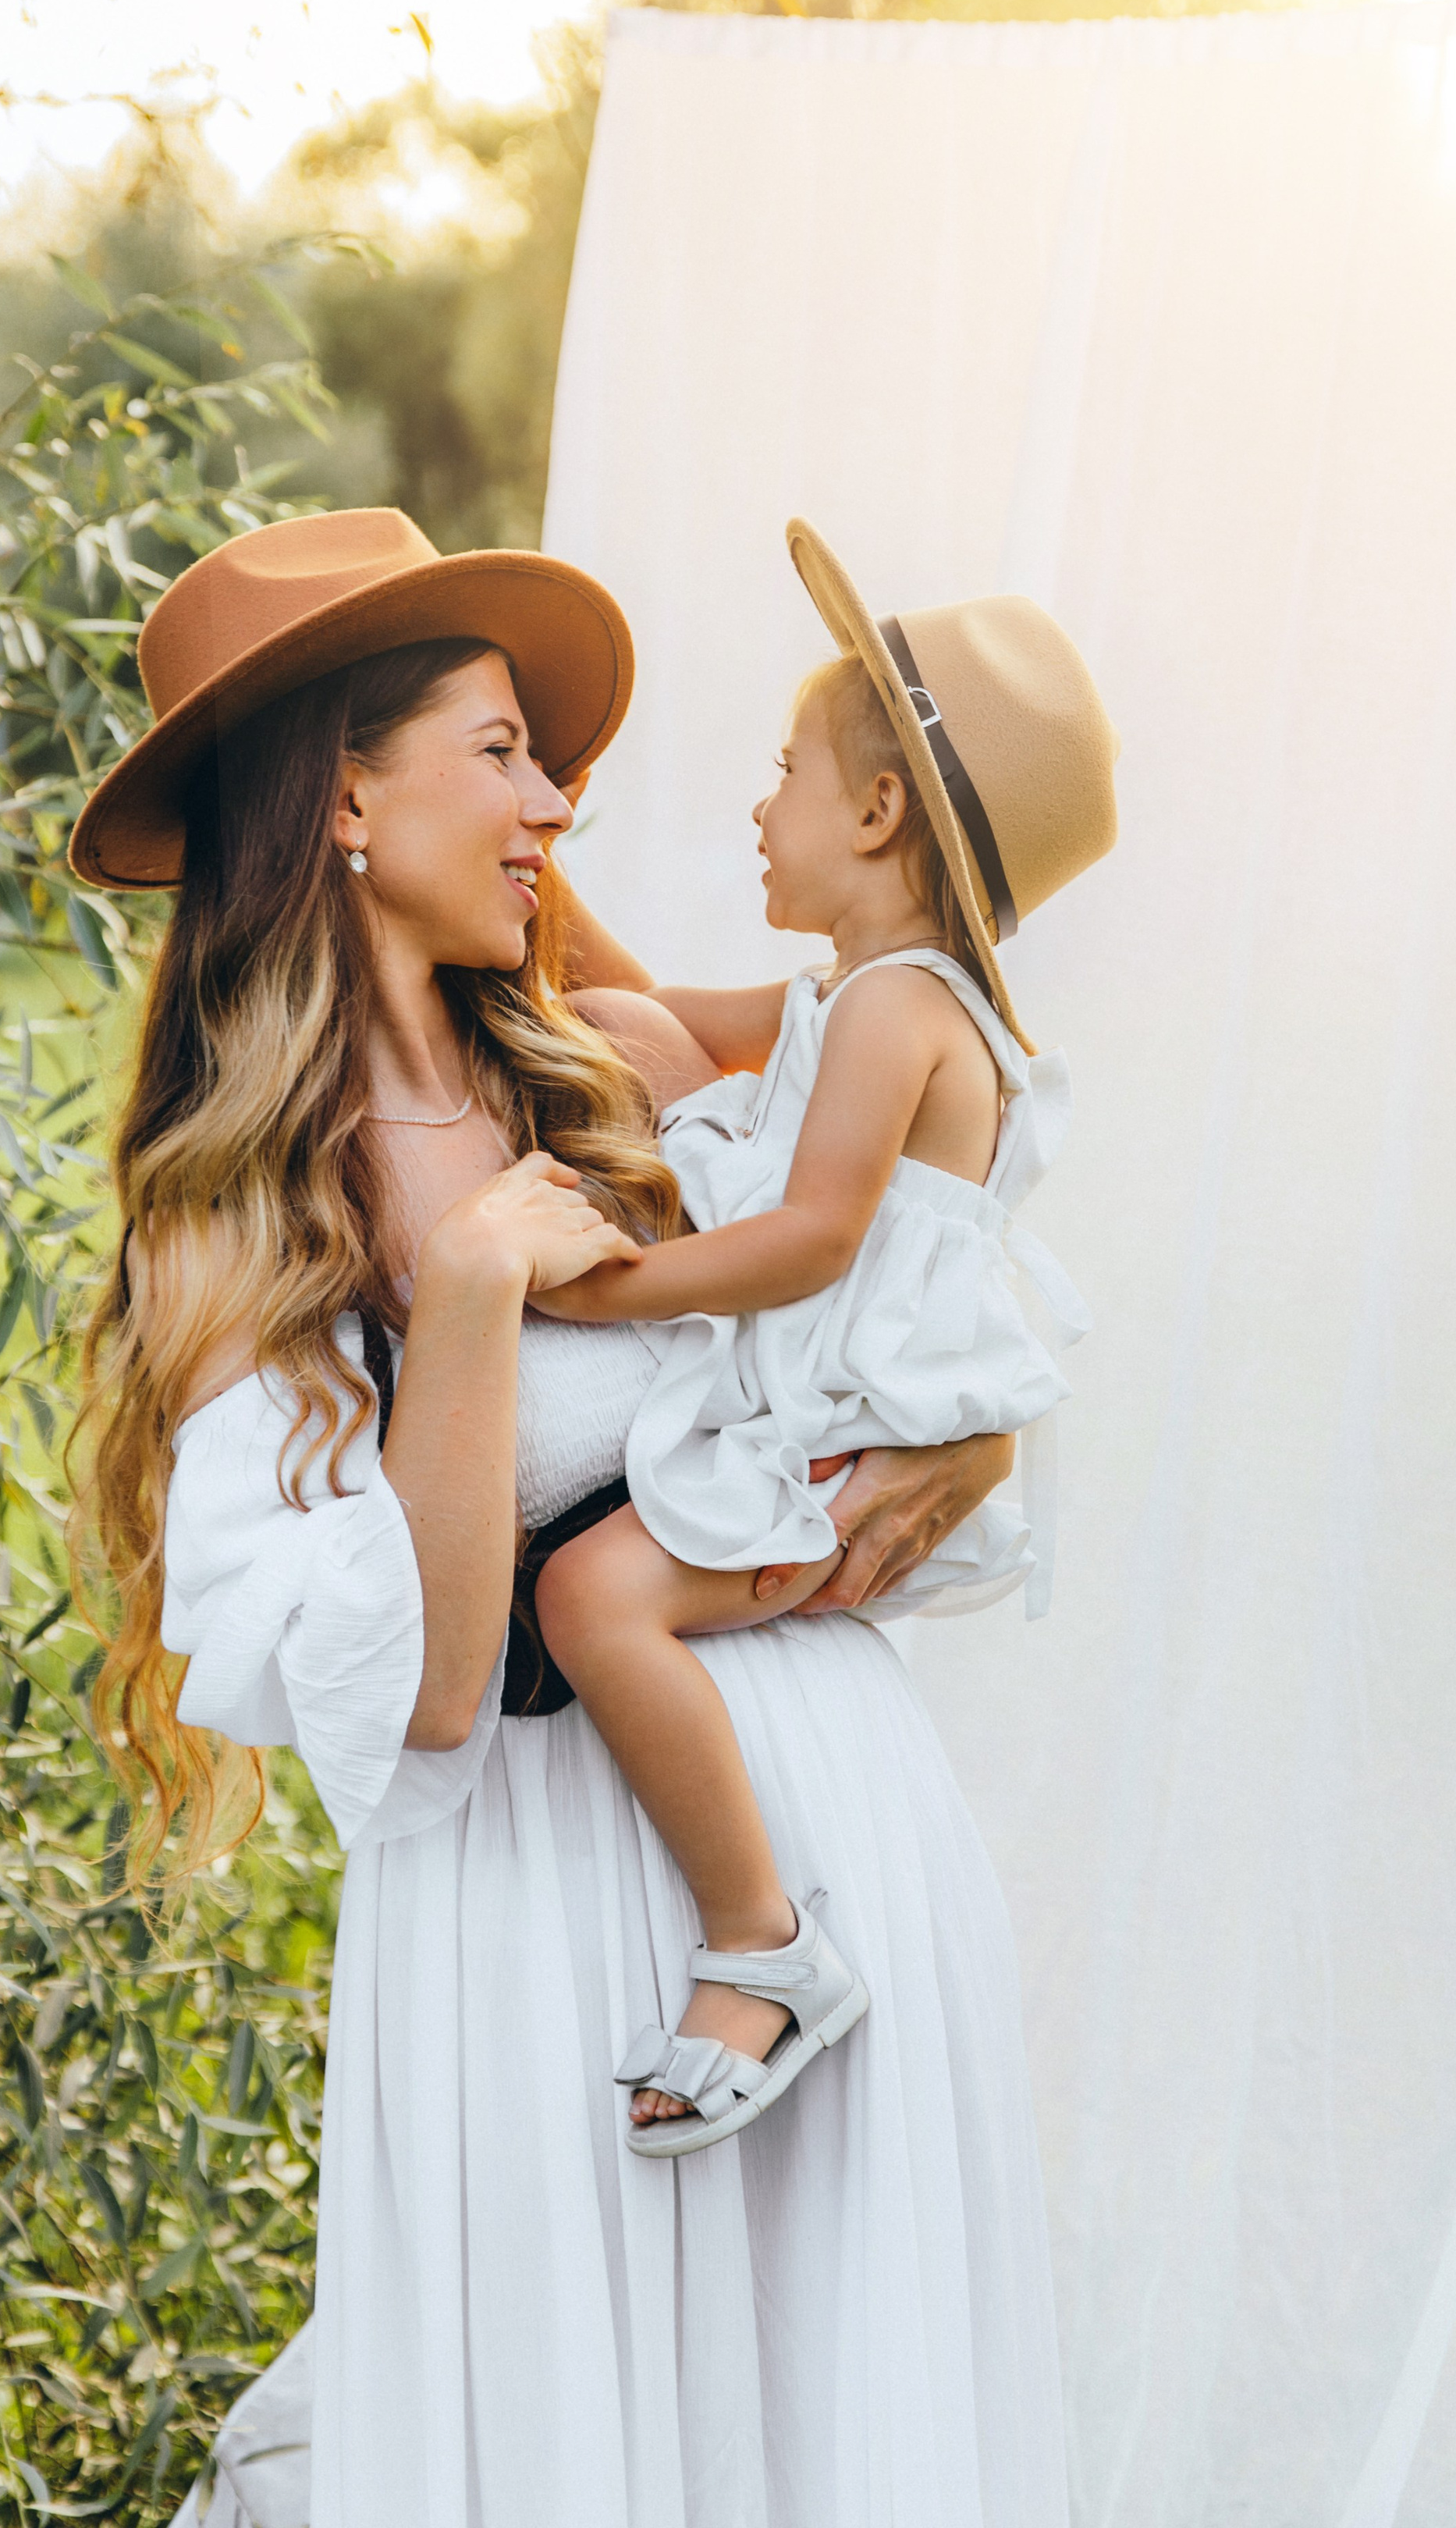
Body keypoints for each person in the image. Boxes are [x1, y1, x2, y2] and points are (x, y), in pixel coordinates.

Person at [70, 507, 1078, 2528]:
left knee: (828, 2454)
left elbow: (911, 1205)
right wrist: (463, 1302)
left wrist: (974, 1445)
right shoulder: (241, 1222)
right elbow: (433, 1687)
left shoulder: (591, 1060)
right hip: (535, 1911)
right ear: (345, 792)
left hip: (830, 1843)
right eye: (507, 750)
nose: (563, 804)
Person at [527, 521, 1116, 2156]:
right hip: (810, 1402)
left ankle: (762, 1943)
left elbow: (810, 1236)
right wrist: (518, 845)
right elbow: (631, 1013)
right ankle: (758, 1933)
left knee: (591, 1595)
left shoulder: (897, 1008)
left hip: (839, 1439)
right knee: (642, 1030)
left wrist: (597, 1290)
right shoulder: (848, 998)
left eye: (782, 769)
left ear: (874, 812)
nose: (754, 801)